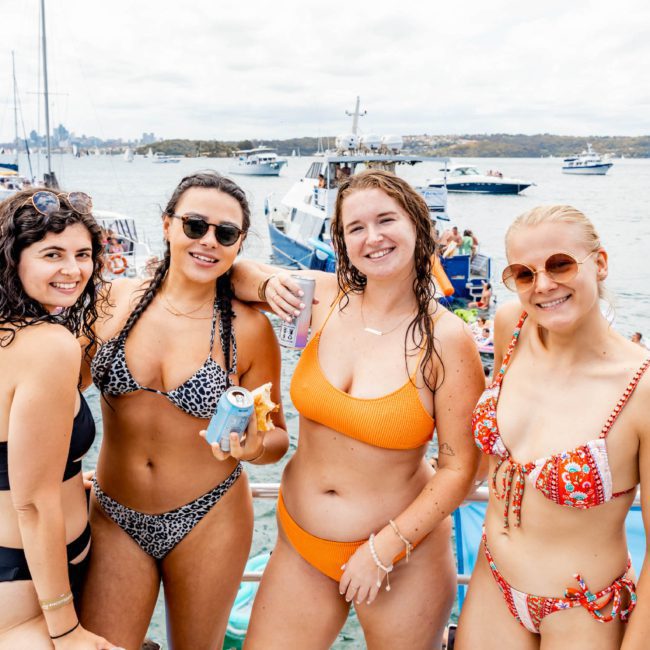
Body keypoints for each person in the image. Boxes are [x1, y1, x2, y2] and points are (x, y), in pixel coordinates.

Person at [231, 169, 485, 649]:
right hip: (300, 543)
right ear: (342, 242)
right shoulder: (321, 298)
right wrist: (268, 289)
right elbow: (237, 272)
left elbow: (460, 467)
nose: (373, 237)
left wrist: (385, 548)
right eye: (355, 228)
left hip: (402, 556)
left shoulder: (448, 340)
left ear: (416, 225)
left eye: (386, 220)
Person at [80, 171, 289, 649]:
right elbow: (59, 394)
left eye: (226, 233)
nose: (208, 241)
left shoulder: (251, 328)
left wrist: (255, 447)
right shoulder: (111, 302)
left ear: (239, 245)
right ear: (168, 224)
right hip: (114, 513)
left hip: (209, 516)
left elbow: (277, 436)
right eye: (195, 225)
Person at [456, 205, 650, 649]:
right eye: (524, 274)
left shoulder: (642, 390)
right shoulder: (513, 326)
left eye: (560, 264)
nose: (543, 285)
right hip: (493, 583)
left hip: (582, 610)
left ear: (599, 263)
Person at [0, 189, 120, 648]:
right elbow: (31, 503)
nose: (73, 270)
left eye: (83, 254)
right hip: (26, 582)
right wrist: (66, 630)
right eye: (53, 254)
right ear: (13, 259)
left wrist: (67, 476)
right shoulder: (49, 345)